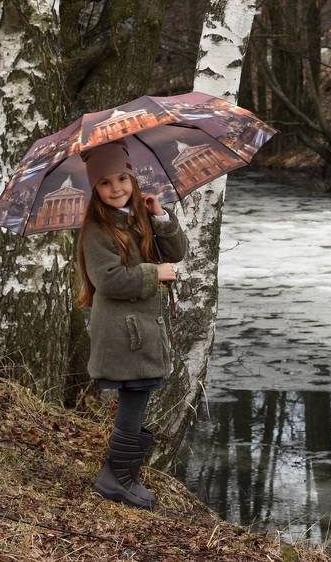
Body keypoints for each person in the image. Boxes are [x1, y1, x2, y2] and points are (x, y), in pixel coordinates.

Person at [75, 139, 189, 510]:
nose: (116, 188)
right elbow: (108, 280)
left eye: (122, 179)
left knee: (140, 392)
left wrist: (160, 218)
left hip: (141, 328)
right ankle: (115, 478)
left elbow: (176, 253)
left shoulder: (137, 217)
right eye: (105, 183)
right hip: (122, 331)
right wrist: (154, 273)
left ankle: (123, 475)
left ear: (133, 179)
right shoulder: (96, 230)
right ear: (95, 189)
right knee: (135, 393)